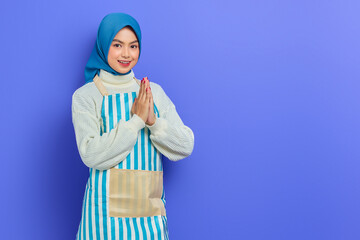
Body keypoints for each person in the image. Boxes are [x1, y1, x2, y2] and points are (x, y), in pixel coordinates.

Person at [71, 12, 194, 240]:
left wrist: (153, 122)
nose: (126, 54)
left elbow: (185, 145)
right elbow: (90, 154)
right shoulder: (87, 96)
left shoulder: (152, 92)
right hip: (104, 219)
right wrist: (137, 121)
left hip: (150, 219)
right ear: (103, 45)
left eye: (133, 46)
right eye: (117, 45)